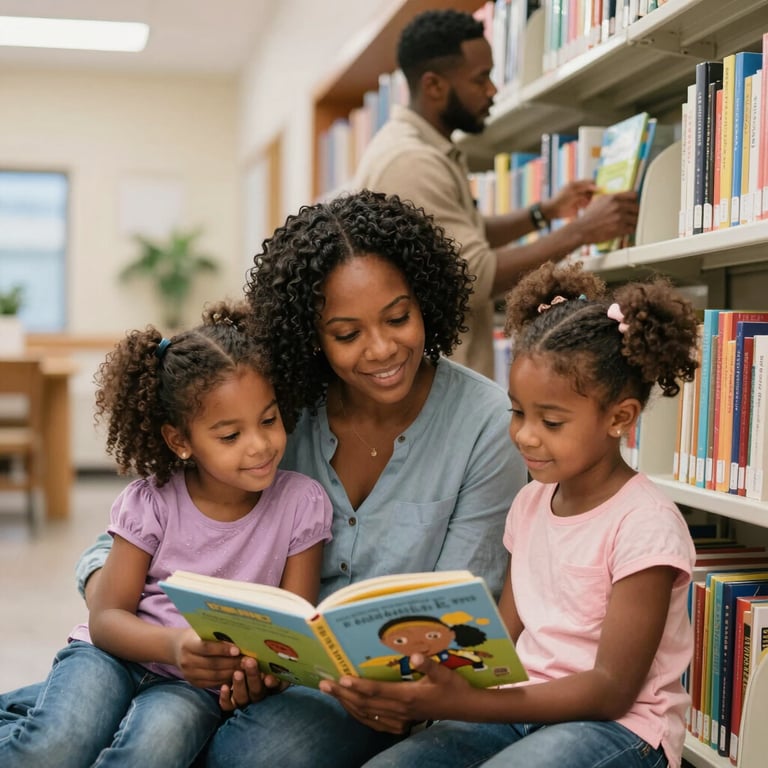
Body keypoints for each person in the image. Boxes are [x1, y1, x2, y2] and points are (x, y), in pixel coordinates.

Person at [1, 190, 526, 768]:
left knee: (243, 753)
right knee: (78, 727)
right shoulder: (277, 404)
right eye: (347, 334)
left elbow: (462, 613)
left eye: (399, 317)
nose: (382, 349)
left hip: (364, 686)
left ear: (427, 300)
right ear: (312, 334)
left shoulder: (487, 424)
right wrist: (140, 621)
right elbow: (128, 540)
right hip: (235, 664)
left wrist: (415, 697)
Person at [320, 260, 699, 768]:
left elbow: (610, 691)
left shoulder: (645, 526)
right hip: (518, 709)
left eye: (552, 421)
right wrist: (429, 683)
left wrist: (466, 703)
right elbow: (500, 639)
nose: (524, 435)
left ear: (620, 418)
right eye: (518, 412)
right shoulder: (531, 502)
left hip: (619, 730)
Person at [0, 302, 333, 767]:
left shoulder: (302, 504)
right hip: (111, 658)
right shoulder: (152, 501)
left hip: (195, 685)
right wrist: (175, 646)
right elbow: (107, 618)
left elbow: (292, 636)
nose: (259, 445)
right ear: (180, 441)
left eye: (269, 420)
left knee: (152, 751)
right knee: (56, 744)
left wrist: (265, 675)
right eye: (230, 435)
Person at [354, 8, 640, 379]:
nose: (492, 90)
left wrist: (544, 212)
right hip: (438, 392)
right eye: (481, 79)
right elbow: (476, 275)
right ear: (434, 86)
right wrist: (583, 231)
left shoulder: (419, 148)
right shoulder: (412, 161)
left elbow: (455, 238)